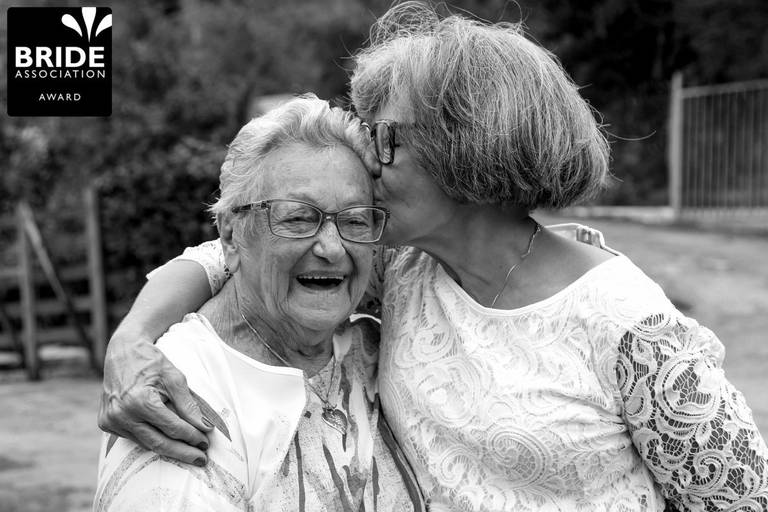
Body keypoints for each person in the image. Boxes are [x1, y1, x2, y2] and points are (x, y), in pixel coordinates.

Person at [98, 3, 768, 511]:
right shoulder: (410, 270)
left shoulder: (634, 334)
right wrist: (131, 338)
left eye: (384, 136)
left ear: (467, 148)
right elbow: (242, 249)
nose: (367, 159)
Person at [93, 95, 424, 511]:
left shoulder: (376, 345)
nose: (333, 248)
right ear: (231, 234)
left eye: (355, 219)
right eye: (298, 217)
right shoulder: (180, 392)